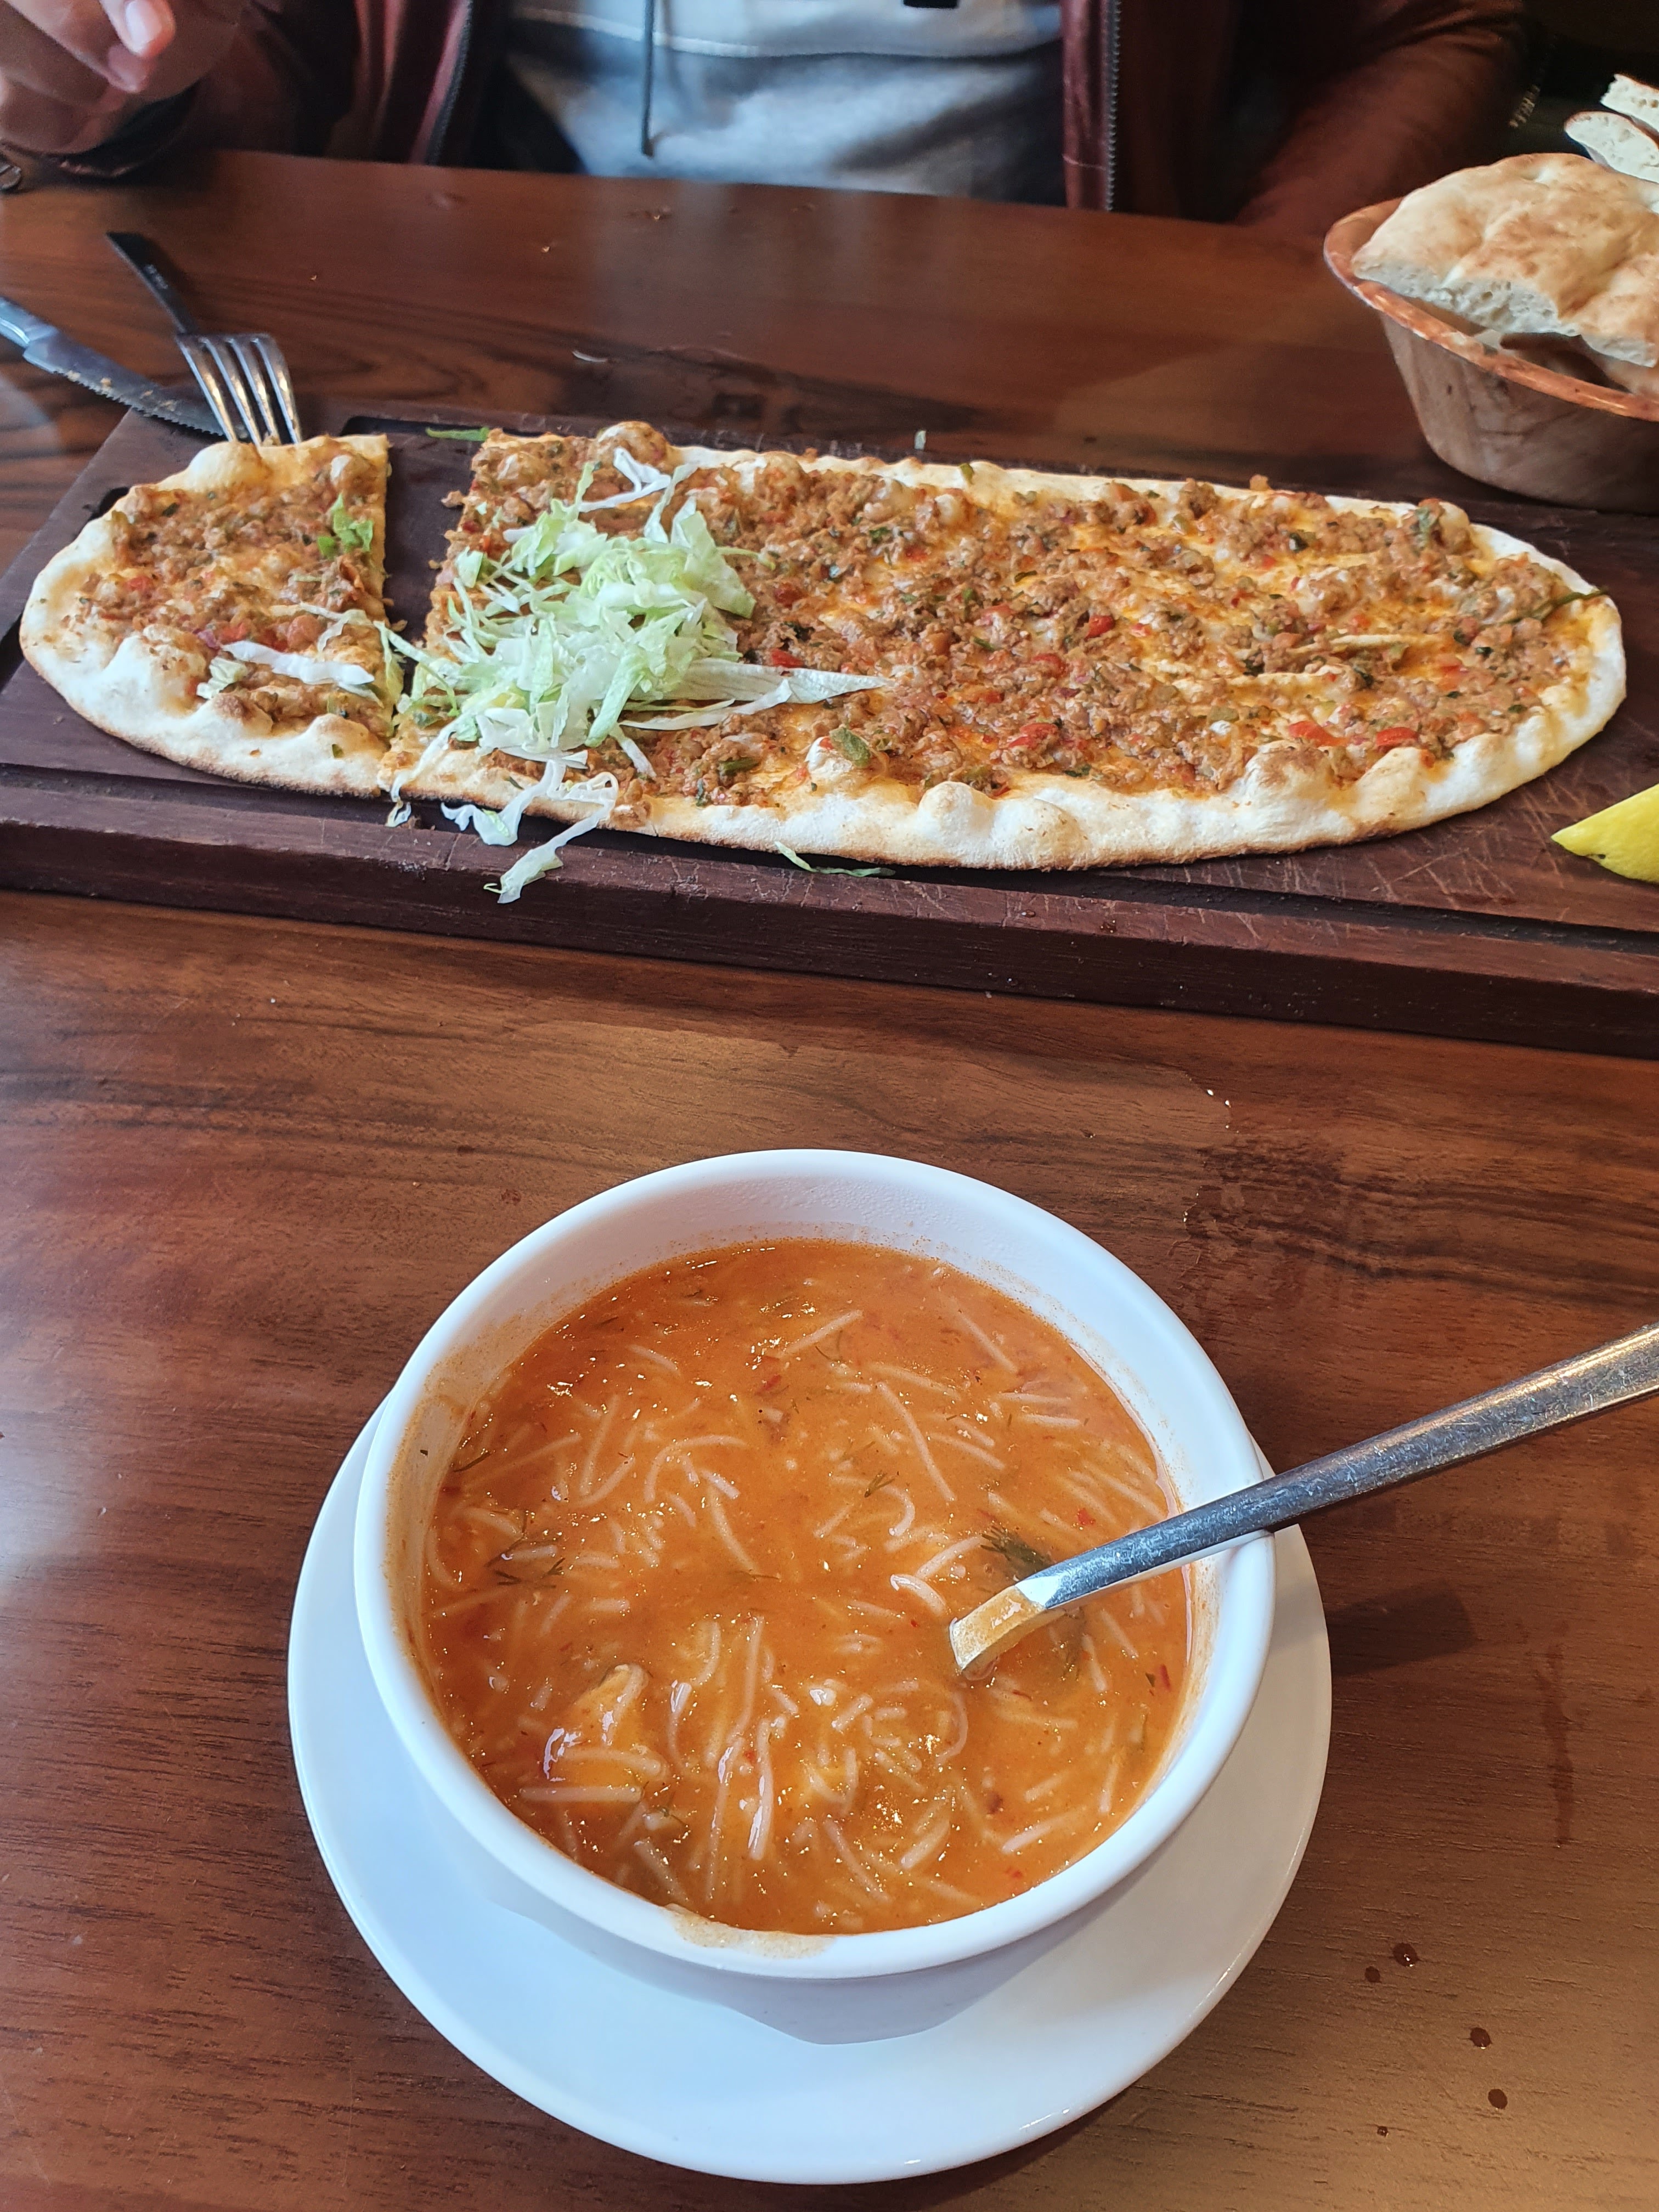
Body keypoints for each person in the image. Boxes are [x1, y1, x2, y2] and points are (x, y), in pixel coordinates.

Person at [0, 0, 1526, 239]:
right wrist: (108, 85)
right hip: (474, 351)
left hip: (1062, 370)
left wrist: (1270, 294)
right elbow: (279, 40)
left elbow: (1419, 29)